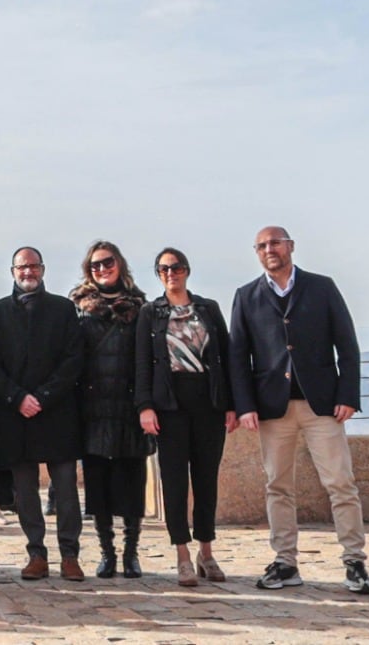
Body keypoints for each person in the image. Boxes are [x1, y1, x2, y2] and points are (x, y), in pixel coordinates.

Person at [229, 226, 369, 595]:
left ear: (290, 246)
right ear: (256, 252)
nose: (269, 249)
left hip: (322, 406)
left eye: (275, 242)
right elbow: (237, 357)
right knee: (277, 486)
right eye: (262, 245)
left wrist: (348, 394)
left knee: (341, 483)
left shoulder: (322, 287)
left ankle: (355, 563)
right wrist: (244, 405)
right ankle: (285, 563)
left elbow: (348, 344)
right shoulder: (246, 296)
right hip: (272, 410)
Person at [0, 247, 86, 582]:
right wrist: (17, 398)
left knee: (67, 488)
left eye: (33, 266)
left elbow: (73, 359)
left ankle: (70, 554)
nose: (28, 272)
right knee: (25, 490)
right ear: (12, 271)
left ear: (42, 269)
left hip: (56, 412)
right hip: (16, 415)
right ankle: (36, 554)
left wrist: (41, 397)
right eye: (22, 267)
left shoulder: (63, 308)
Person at [136, 247, 236, 587]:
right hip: (169, 404)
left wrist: (232, 404)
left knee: (207, 479)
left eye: (175, 267)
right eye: (163, 269)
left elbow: (227, 354)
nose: (170, 273)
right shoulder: (150, 313)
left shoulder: (208, 309)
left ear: (187, 270)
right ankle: (181, 554)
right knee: (175, 482)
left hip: (208, 401)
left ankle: (206, 552)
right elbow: (142, 363)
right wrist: (145, 406)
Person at [70, 241, 155, 579]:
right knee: (98, 484)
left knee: (132, 481)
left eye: (107, 262)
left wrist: (147, 403)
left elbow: (148, 357)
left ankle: (131, 552)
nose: (102, 269)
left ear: (119, 264)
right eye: (95, 265)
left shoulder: (141, 305)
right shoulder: (77, 307)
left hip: (130, 404)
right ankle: (107, 552)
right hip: (92, 405)